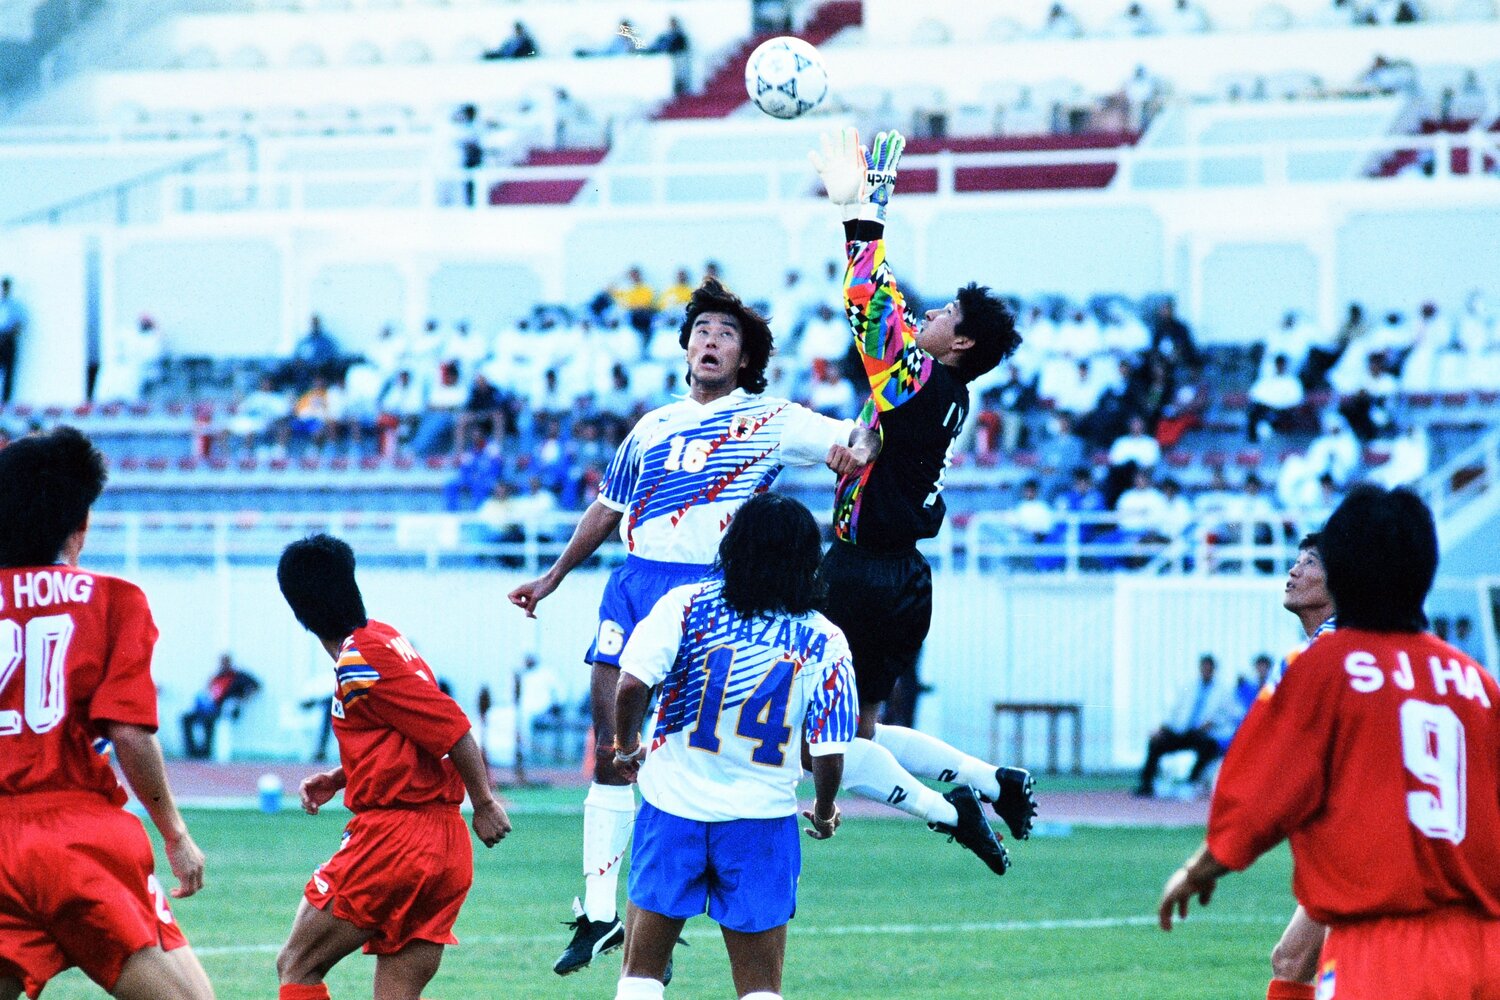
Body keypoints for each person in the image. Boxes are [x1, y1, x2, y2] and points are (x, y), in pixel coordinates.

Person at [506, 276, 878, 976]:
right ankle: (599, 912)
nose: (711, 340)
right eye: (702, 330)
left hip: (705, 596)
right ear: (685, 346)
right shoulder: (651, 425)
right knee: (612, 747)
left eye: (726, 334)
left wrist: (855, 449)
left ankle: (657, 927)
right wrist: (552, 578)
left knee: (684, 758)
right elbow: (607, 507)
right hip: (634, 580)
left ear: (745, 356)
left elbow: (856, 435)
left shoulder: (769, 418)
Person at [1159, 486, 1500, 1000]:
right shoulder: (1476, 681)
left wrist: (1199, 870)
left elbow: (1254, 800)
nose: (1295, 569)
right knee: (1291, 958)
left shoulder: (1325, 668)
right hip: (1487, 948)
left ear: (1346, 572)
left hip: (1387, 952)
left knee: (1292, 962)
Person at [808, 127, 1036, 874]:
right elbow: (886, 308)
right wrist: (865, 206)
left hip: (859, 572)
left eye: (941, 315)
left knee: (824, 738)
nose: (927, 313)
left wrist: (864, 209)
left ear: (959, 344)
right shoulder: (943, 392)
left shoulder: (916, 381)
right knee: (862, 727)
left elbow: (869, 300)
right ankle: (987, 781)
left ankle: (947, 810)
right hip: (904, 576)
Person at [611, 493, 856, 1000]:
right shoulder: (825, 639)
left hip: (672, 807)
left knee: (641, 976)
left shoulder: (687, 604)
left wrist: (625, 746)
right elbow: (830, 750)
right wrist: (826, 809)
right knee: (760, 989)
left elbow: (631, 685)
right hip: (760, 819)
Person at [0, 427, 214, 1000]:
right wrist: (174, 832)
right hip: (77, 840)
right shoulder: (113, 600)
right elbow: (130, 734)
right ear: (81, 525)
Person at [273, 534, 511, 1000]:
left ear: (298, 610)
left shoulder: (358, 660)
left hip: (396, 842)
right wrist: (343, 777)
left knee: (297, 965)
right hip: (444, 848)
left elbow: (454, 728)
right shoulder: (384, 636)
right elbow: (407, 729)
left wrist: (484, 802)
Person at [1261, 532, 1338, 1000]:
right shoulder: (1362, 643)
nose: (1293, 571)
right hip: (1355, 841)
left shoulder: (1324, 654)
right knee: (1292, 960)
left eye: (1309, 562)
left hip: (1377, 844)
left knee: (1334, 968)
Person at [1134, 654, 1239, 797]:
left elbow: (1235, 714)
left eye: (1209, 667)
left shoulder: (1224, 691)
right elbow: (1173, 710)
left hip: (1203, 733)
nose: (1206, 670)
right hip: (1182, 730)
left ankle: (1190, 782)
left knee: (1208, 748)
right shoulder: (1188, 687)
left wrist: (1213, 722)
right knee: (1156, 743)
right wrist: (1161, 728)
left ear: (1214, 669)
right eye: (1204, 667)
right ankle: (1146, 784)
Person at [178, 653, 261, 760]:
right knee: (186, 718)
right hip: (209, 707)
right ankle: (192, 752)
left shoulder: (238, 676)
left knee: (208, 720)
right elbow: (208, 692)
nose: (223, 665)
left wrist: (243, 699)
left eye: (225, 662)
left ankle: (205, 752)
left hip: (224, 709)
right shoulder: (216, 676)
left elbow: (256, 685)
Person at [0, 277, 24, 404]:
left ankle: (6, 402)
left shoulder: (15, 306)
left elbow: (19, 324)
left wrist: (11, 334)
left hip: (8, 339)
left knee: (9, 371)